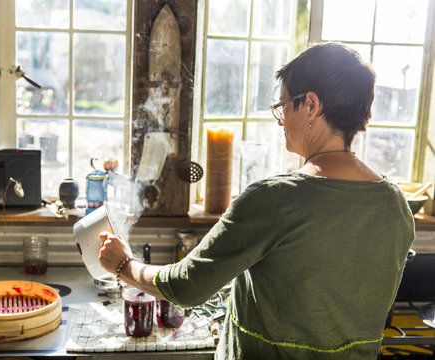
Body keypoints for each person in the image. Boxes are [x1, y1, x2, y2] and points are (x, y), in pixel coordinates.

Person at [98, 42, 415, 359]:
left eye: (284, 105)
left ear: (311, 106)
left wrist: (124, 265)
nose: (281, 120)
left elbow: (186, 287)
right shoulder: (395, 205)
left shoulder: (276, 198)